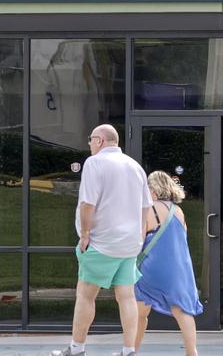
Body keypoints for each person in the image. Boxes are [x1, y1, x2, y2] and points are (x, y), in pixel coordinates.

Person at [52, 124, 152, 356]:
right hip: (128, 245)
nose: (89, 144)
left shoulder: (94, 163)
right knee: (126, 297)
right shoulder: (135, 166)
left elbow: (88, 203)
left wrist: (85, 235)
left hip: (101, 242)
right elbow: (146, 206)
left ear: (99, 140)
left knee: (86, 295)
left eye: (90, 139)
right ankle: (129, 350)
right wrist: (139, 235)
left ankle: (77, 349)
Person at [134, 171, 203, 356]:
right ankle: (191, 351)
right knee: (182, 311)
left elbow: (139, 241)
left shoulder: (150, 209)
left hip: (152, 267)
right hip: (179, 268)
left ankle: (133, 350)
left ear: (154, 189)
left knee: (140, 312)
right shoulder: (178, 211)